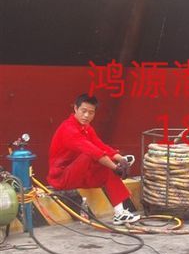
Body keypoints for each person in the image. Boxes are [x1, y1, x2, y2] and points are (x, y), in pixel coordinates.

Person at [47, 94, 140, 225]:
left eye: (91, 113)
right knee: (94, 157)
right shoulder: (68, 129)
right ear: (75, 109)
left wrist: (120, 159)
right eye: (83, 111)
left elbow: (100, 145)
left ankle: (120, 213)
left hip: (79, 174)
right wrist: (116, 168)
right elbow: (93, 151)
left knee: (106, 169)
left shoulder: (86, 128)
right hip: (62, 178)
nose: (86, 116)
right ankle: (120, 210)